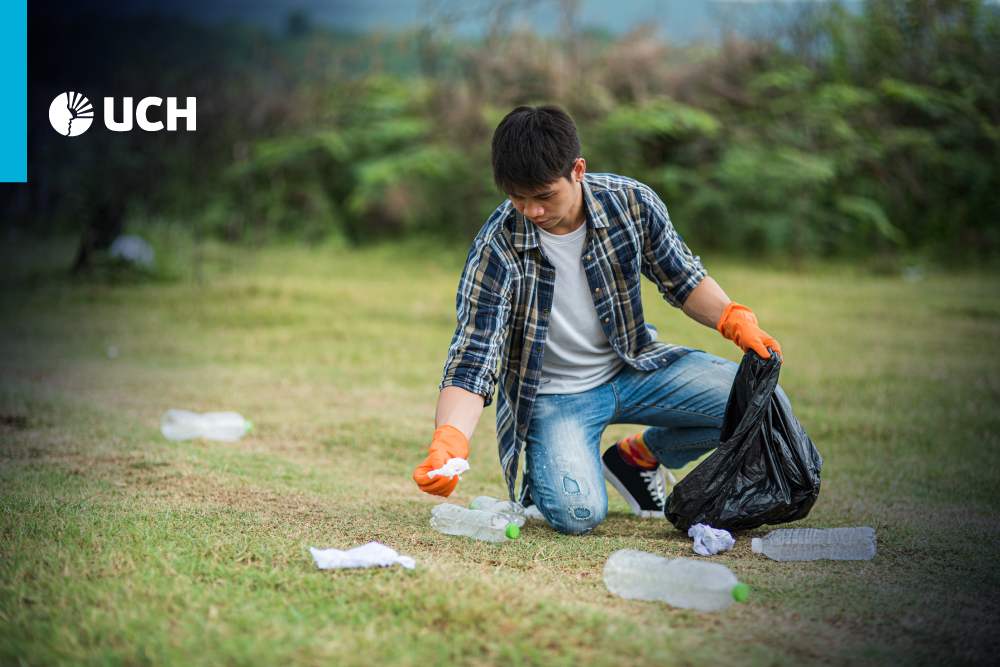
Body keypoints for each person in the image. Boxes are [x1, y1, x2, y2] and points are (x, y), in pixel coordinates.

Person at [412, 105, 783, 535]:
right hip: (556, 398)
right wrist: (450, 439)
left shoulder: (631, 203)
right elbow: (475, 354)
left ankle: (639, 457)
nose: (531, 211)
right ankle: (552, 470)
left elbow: (682, 279)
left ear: (578, 171)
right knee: (578, 513)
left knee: (761, 402)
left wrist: (733, 318)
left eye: (544, 195)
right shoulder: (496, 247)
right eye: (519, 198)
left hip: (635, 366)